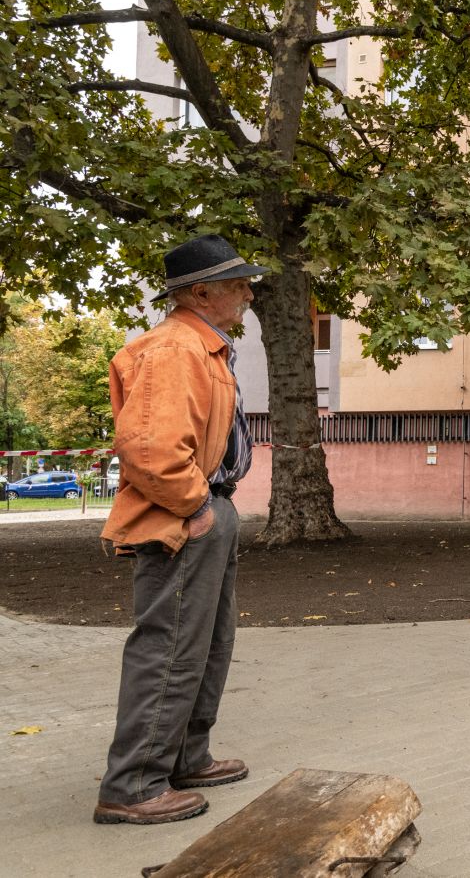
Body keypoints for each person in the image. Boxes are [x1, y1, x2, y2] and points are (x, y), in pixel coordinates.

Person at [94, 235, 264, 825]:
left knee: (207, 645)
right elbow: (149, 448)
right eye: (238, 283)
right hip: (184, 517)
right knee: (169, 648)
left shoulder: (202, 346)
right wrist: (195, 506)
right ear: (200, 292)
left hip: (205, 511)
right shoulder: (173, 349)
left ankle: (185, 758)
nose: (248, 292)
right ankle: (134, 786)